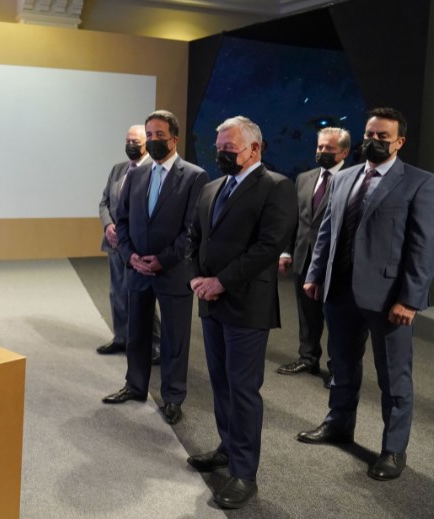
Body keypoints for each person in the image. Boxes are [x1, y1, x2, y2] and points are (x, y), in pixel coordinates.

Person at [297, 107, 434, 481]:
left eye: (382, 137)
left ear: (399, 142)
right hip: (339, 290)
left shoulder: (419, 182)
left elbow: (423, 247)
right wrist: (315, 274)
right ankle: (338, 424)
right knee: (341, 365)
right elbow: (326, 231)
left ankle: (393, 449)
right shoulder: (345, 178)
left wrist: (410, 299)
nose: (373, 141)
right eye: (370, 134)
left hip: (389, 299)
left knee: (394, 377)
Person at [185, 116, 296, 509]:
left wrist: (221, 282)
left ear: (254, 149)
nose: (221, 154)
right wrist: (196, 278)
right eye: (218, 148)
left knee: (243, 389)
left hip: (247, 304)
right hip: (210, 300)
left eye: (229, 148)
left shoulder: (277, 187)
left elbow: (268, 246)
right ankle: (227, 447)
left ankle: (245, 474)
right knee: (220, 382)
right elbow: (195, 238)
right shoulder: (211, 188)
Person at [101, 111, 207, 426]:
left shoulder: (195, 176)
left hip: (172, 272)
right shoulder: (136, 174)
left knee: (174, 340)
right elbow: (122, 220)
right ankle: (135, 386)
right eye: (149, 135)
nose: (153, 140)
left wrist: (163, 259)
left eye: (160, 134)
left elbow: (192, 230)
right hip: (136, 269)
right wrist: (130, 255)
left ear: (174, 138)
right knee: (136, 333)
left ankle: (173, 397)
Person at [277, 127, 351, 385]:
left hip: (335, 261)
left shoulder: (352, 180)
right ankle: (308, 358)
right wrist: (286, 251)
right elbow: (296, 219)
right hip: (303, 255)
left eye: (329, 148)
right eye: (320, 147)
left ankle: (337, 369)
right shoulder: (304, 178)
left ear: (344, 152)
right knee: (307, 312)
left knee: (335, 316)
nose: (322, 152)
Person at [97, 125, 161, 362]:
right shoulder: (118, 169)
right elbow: (104, 202)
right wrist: (108, 226)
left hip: (138, 246)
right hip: (115, 244)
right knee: (117, 293)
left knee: (144, 296)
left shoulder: (154, 169)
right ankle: (121, 337)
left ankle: (154, 343)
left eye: (135, 141)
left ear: (146, 144)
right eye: (128, 141)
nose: (130, 145)